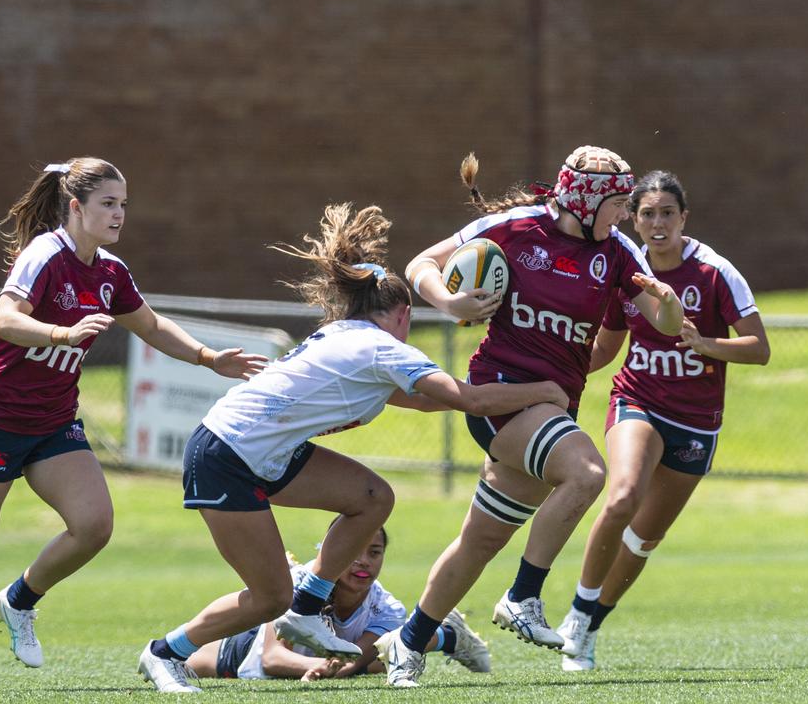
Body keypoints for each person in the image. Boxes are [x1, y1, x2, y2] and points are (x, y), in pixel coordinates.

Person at [137, 203, 568, 693]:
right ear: (403, 315)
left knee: (372, 498)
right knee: (267, 597)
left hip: (262, 454)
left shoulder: (349, 337)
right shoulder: (383, 348)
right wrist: (544, 390)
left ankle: (306, 609)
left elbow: (430, 402)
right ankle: (165, 652)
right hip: (226, 455)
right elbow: (465, 398)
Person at [0, 157, 267, 696]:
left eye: (124, 205)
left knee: (94, 525)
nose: (119, 214)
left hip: (53, 422)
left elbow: (151, 325)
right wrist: (62, 335)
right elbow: (5, 320)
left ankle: (20, 600)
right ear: (76, 207)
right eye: (108, 203)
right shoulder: (45, 255)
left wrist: (209, 358)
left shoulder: (111, 271)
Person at [377, 146, 684, 688]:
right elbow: (420, 264)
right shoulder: (517, 227)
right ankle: (523, 595)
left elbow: (662, 319)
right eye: (618, 203)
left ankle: (407, 642)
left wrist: (668, 301)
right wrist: (449, 304)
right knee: (588, 473)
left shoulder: (616, 252)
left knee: (480, 540)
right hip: (499, 394)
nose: (625, 214)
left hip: (548, 406)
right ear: (587, 200)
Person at [554, 171, 770, 671]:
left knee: (644, 539)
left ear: (683, 218)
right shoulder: (625, 271)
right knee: (623, 495)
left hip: (696, 422)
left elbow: (759, 348)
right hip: (638, 400)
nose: (657, 224)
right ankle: (577, 614)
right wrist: (558, 372)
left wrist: (706, 344)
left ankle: (589, 626)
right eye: (647, 214)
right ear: (634, 217)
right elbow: (608, 345)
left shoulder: (715, 272)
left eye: (667, 214)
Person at [185, 526, 490, 682]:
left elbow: (353, 663)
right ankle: (445, 636)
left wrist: (329, 669)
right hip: (238, 651)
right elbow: (271, 658)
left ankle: (446, 635)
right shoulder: (298, 585)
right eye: (354, 549)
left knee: (382, 656)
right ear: (332, 551)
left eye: (375, 552)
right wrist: (316, 666)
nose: (364, 561)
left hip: (336, 659)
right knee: (180, 667)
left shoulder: (386, 609)